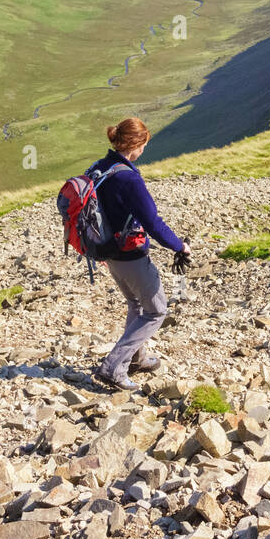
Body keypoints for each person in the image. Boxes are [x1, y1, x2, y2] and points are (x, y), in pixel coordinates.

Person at [91, 117, 191, 391]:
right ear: (135, 144)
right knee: (156, 310)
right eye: (144, 145)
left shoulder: (100, 167)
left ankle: (137, 358)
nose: (144, 150)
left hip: (107, 250)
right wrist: (179, 246)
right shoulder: (128, 177)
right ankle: (113, 367)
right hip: (129, 255)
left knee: (136, 303)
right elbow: (153, 222)